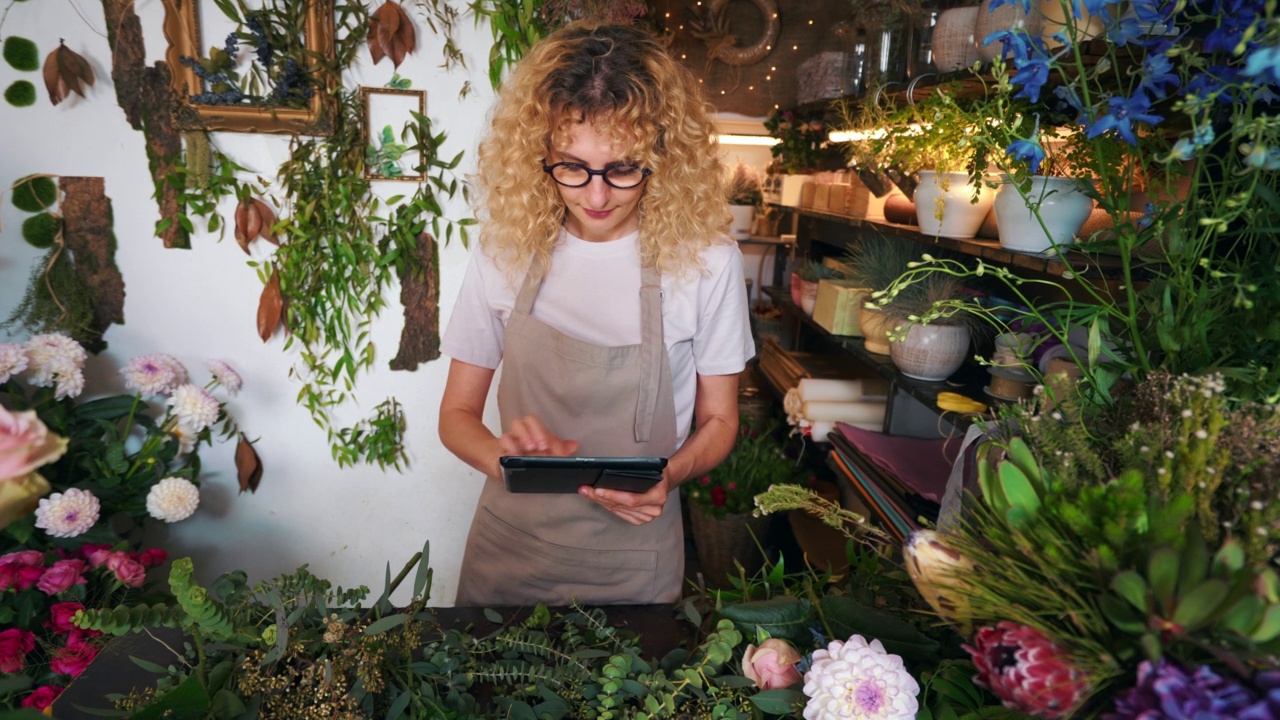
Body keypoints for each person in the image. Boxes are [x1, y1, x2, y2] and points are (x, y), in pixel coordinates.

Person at [438, 20, 755, 606]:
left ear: (665, 157)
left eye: (624, 168)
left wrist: (672, 474)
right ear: (540, 155)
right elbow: (456, 414)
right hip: (511, 551)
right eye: (571, 167)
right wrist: (506, 458)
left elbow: (721, 422)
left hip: (635, 561)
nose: (596, 196)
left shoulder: (708, 263)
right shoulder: (505, 253)